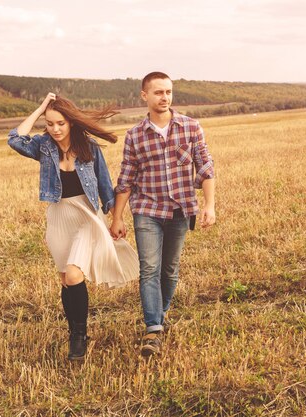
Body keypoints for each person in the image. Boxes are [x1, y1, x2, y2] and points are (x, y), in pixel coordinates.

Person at [8, 93, 139, 361]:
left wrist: (116, 218)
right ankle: (74, 331)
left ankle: (79, 338)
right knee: (66, 281)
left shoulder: (89, 148)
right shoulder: (44, 147)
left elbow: (105, 187)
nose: (55, 129)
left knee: (74, 275)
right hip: (58, 216)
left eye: (61, 123)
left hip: (87, 216)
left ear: (72, 123)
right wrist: (42, 107)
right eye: (50, 124)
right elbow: (15, 139)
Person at [110, 72, 216, 357]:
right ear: (144, 95)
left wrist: (209, 205)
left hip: (181, 210)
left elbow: (205, 167)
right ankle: (153, 329)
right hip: (147, 210)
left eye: (168, 92)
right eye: (158, 92)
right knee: (150, 269)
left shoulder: (191, 127)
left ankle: (160, 313)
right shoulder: (134, 135)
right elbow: (126, 179)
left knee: (170, 270)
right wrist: (117, 217)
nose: (164, 97)